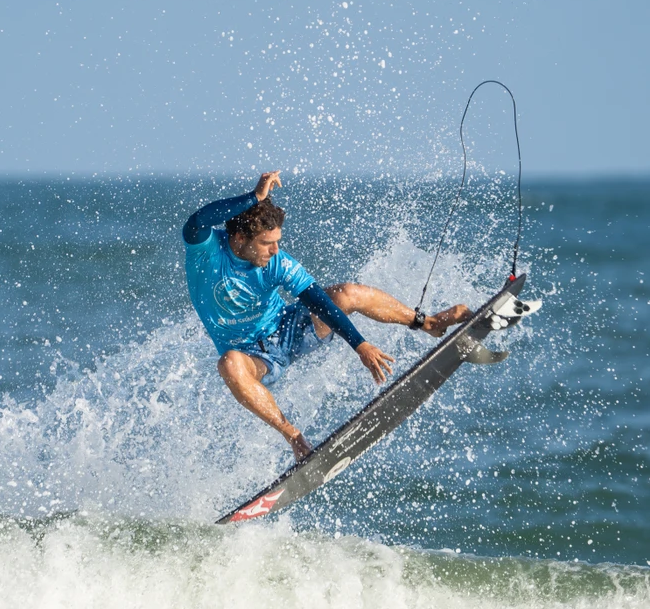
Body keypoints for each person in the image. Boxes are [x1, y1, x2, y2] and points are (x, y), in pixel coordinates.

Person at [183, 171, 471, 461]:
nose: (275, 250)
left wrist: (360, 344)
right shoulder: (206, 252)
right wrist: (253, 198)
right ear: (240, 237)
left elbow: (318, 301)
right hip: (253, 358)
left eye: (278, 241)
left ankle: (429, 323)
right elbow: (196, 221)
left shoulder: (277, 261)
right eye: (266, 243)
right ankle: (294, 437)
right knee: (229, 363)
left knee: (346, 293)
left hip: (289, 330)